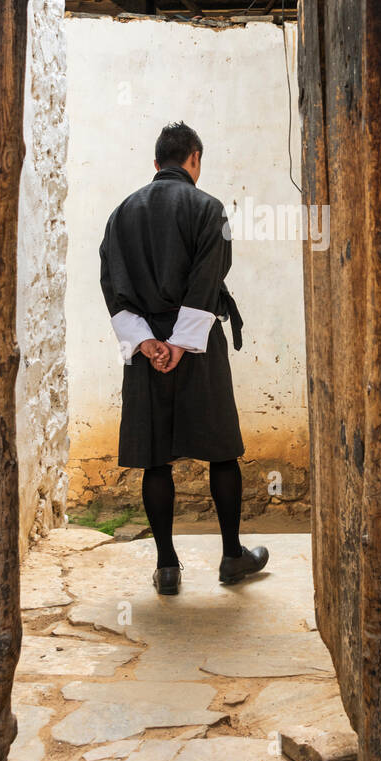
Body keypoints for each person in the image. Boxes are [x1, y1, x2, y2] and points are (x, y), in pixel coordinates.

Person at [99, 121, 269, 595]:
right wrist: (180, 342)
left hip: (146, 349)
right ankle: (232, 556)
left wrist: (146, 342)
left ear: (156, 164)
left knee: (157, 459)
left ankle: (168, 565)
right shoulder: (208, 208)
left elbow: (111, 282)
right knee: (221, 451)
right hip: (196, 346)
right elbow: (210, 275)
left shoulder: (120, 214)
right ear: (194, 160)